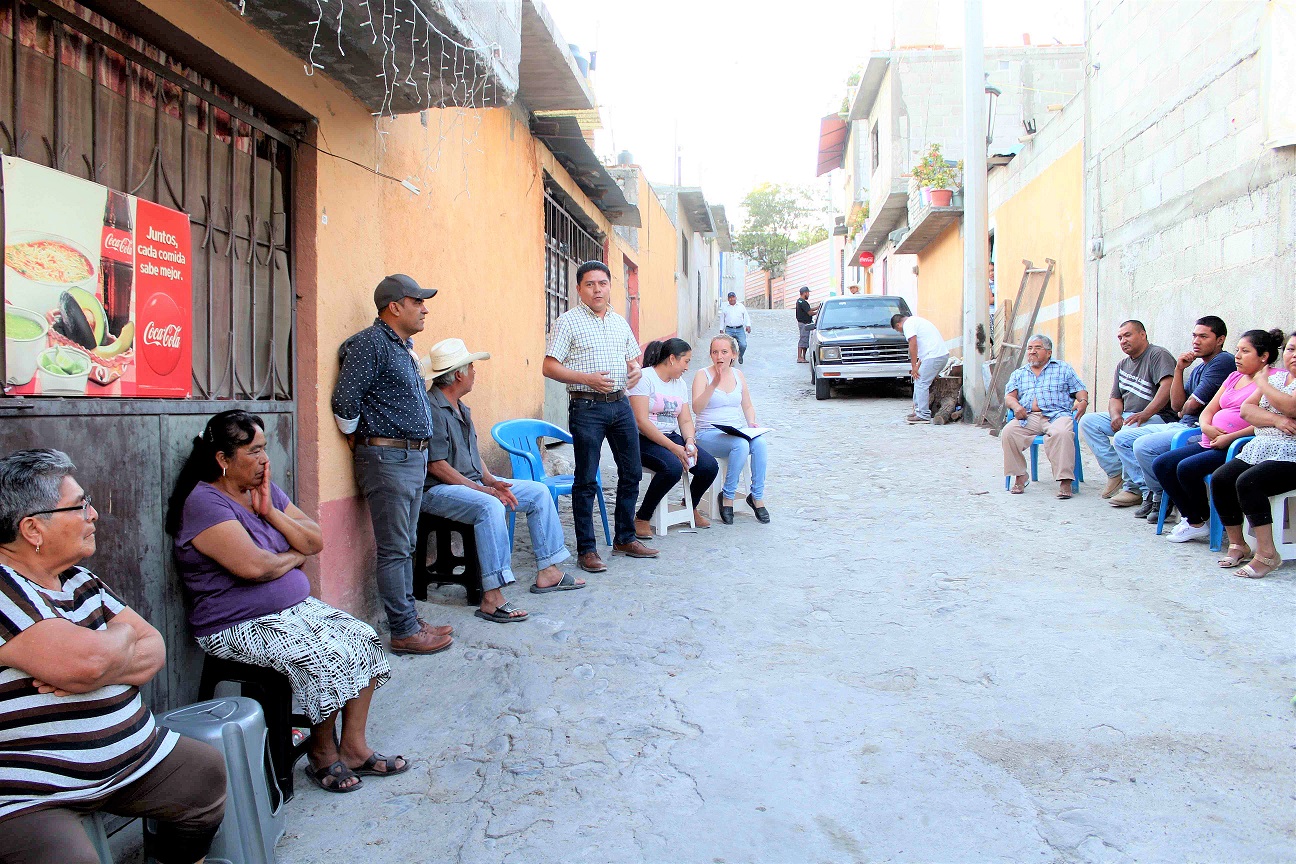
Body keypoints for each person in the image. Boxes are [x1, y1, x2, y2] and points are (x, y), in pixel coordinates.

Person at [0, 449, 226, 863]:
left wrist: (101, 658)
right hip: (32, 791)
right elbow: (87, 663)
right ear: (33, 528)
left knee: (204, 774)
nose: (93, 515)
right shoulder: (5, 590)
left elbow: (153, 649)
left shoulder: (79, 578)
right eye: (80, 505)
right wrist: (111, 646)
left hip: (132, 761)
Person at [168, 411, 400, 794]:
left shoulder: (262, 490)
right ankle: (321, 755)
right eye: (254, 451)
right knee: (322, 657)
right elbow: (255, 568)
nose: (264, 459)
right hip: (235, 623)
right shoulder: (204, 502)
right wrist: (294, 558)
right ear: (223, 459)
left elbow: (315, 540)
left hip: (289, 610)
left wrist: (271, 512)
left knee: (362, 638)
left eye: (264, 448)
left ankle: (354, 747)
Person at [330, 274, 453, 656]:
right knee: (395, 548)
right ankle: (402, 630)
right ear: (394, 306)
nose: (425, 308)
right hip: (387, 457)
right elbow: (345, 400)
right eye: (418, 301)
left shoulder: (402, 346)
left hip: (409, 457)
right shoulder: (370, 344)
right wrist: (357, 436)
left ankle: (411, 619)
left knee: (406, 543)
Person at [421, 339, 584, 622]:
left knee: (538, 492)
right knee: (490, 507)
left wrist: (492, 482)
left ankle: (549, 570)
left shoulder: (460, 407)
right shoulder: (433, 409)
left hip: (471, 483)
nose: (474, 371)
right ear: (458, 374)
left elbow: (474, 457)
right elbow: (437, 466)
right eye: (471, 367)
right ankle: (491, 596)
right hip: (439, 490)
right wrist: (482, 489)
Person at [543, 260, 657, 573]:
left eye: (602, 283)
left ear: (610, 287)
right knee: (586, 479)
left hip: (620, 405)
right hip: (586, 407)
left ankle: (624, 537)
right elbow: (549, 366)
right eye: (590, 284)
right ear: (579, 289)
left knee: (631, 471)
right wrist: (587, 378)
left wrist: (634, 370)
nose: (597, 289)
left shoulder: (620, 322)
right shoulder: (567, 322)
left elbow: (633, 359)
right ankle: (587, 550)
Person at [1152, 329, 1283, 543]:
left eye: (1245, 351)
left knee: (1186, 468)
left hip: (1237, 446)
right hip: (1211, 440)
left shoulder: (1272, 380)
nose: (1237, 356)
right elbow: (1208, 410)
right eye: (1238, 350)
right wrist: (1206, 426)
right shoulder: (1234, 376)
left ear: (1264, 356)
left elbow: (1263, 421)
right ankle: (1196, 521)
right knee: (1162, 464)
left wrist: (1229, 438)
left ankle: (1203, 519)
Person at [1129, 316, 1234, 522]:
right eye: (1194, 336)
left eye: (1204, 336)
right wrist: (1179, 369)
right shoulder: (1197, 368)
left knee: (1144, 446)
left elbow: (1190, 407)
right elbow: (1178, 407)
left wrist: (1185, 409)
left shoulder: (1223, 361)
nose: (1196, 341)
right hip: (1183, 424)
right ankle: (1155, 492)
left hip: (1198, 429)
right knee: (1126, 439)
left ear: (1220, 340)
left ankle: (1163, 497)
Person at [1211, 331, 1296, 578]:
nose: (1293, 355)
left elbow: (1291, 407)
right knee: (1221, 478)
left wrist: (1263, 386)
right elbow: (1247, 411)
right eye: (1290, 349)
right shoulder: (1276, 382)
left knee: (1249, 482)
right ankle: (1238, 544)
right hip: (1263, 448)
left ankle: (1268, 554)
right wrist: (1276, 420)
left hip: (1292, 455)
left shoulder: (1268, 381)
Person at [1078, 320, 1177, 507]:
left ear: (1143, 334)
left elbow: (1167, 387)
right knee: (1089, 422)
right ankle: (1116, 472)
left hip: (1159, 418)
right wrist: (1116, 416)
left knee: (1127, 431)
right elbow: (1115, 398)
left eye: (1128, 335)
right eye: (1120, 337)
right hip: (1129, 415)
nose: (1123, 340)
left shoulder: (1158, 355)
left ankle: (1136, 489)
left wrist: (1145, 414)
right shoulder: (1122, 365)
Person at [629, 338, 720, 538]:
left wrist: (688, 441)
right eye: (686, 361)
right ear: (671, 359)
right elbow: (641, 422)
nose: (687, 367)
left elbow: (686, 420)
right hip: (643, 439)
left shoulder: (679, 384)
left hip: (671, 437)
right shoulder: (645, 378)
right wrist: (673, 448)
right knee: (672, 467)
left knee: (709, 466)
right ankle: (642, 517)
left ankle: (690, 506)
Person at [692, 334, 770, 525]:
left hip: (733, 431)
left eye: (724, 352)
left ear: (733, 355)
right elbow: (696, 408)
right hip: (707, 434)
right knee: (741, 445)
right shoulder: (703, 375)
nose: (719, 356)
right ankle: (727, 497)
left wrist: (751, 422)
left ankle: (756, 497)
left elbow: (748, 406)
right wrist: (713, 384)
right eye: (715, 352)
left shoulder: (738, 375)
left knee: (760, 443)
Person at [1001, 334, 1089, 498]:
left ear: (1048, 352)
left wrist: (1083, 401)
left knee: (1062, 433)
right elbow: (1009, 397)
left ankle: (1065, 480)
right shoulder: (1019, 373)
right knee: (1008, 432)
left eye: (1037, 348)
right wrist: (1016, 406)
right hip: (1029, 417)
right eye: (1029, 348)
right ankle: (1020, 475)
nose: (1032, 352)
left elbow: (1080, 389)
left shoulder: (1063, 368)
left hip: (1057, 415)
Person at [890, 312, 950, 424]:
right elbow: (925, 348)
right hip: (936, 355)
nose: (901, 332)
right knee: (918, 380)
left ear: (898, 325)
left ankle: (923, 415)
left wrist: (913, 366)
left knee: (922, 383)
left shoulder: (908, 325)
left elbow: (913, 344)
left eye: (898, 330)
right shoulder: (915, 321)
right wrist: (917, 365)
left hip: (934, 356)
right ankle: (918, 411)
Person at [719, 292, 752, 364]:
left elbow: (746, 316)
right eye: (730, 297)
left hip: (739, 329)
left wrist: (748, 325)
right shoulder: (725, 308)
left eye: (733, 297)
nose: (732, 299)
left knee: (743, 345)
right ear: (728, 299)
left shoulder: (741, 306)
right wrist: (721, 329)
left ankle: (740, 355)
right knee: (727, 345)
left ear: (736, 298)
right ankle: (730, 360)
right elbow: (722, 319)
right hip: (729, 329)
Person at [794, 286, 820, 363]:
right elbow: (809, 312)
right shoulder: (803, 302)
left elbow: (809, 309)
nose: (808, 294)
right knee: (803, 339)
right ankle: (800, 357)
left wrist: (818, 307)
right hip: (804, 324)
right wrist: (818, 313)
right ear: (805, 293)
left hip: (804, 323)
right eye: (808, 293)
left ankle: (803, 357)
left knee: (805, 340)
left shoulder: (800, 301)